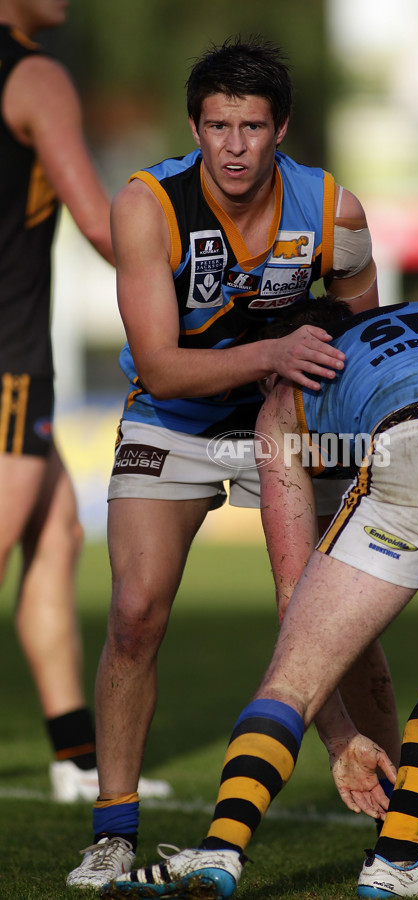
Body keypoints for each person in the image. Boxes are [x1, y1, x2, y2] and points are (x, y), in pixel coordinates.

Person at [65, 36, 411, 889]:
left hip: (290, 423)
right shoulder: (148, 205)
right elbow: (157, 365)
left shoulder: (335, 210)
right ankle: (112, 836)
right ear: (194, 125)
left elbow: (361, 333)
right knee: (135, 614)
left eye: (251, 126)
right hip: (175, 418)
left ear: (280, 128)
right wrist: (274, 354)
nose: (232, 145)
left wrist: (355, 425)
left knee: (349, 628)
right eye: (217, 124)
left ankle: (404, 840)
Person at [101, 296, 418, 898]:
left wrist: (341, 740)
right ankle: (398, 860)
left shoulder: (283, 394)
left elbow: (294, 589)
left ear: (279, 365)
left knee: (291, 678)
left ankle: (218, 853)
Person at [0, 0, 170, 804]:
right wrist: (204, 277)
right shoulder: (33, 73)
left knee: (58, 530)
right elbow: (103, 224)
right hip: (7, 362)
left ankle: (75, 757)